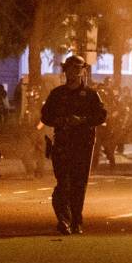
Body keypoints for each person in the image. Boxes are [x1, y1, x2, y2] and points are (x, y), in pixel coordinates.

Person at [38, 55, 107, 234]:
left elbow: (101, 116)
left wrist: (82, 120)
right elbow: (45, 116)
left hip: (83, 144)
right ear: (65, 71)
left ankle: (76, 220)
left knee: (79, 184)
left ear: (83, 71)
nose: (74, 73)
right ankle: (64, 219)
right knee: (63, 183)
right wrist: (60, 121)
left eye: (78, 69)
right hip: (62, 143)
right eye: (70, 69)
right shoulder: (57, 94)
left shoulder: (91, 95)